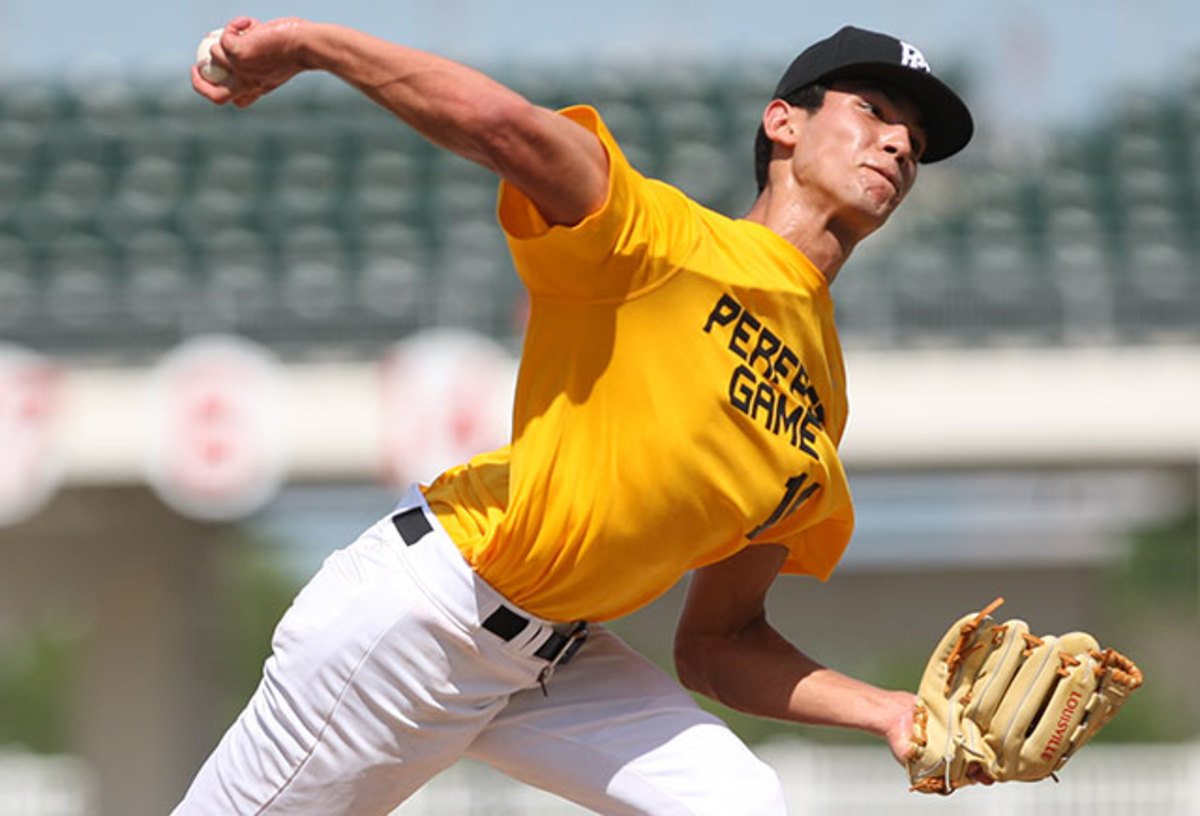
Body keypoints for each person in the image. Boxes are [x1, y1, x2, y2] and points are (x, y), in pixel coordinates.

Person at [176, 18, 974, 816]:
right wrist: (312, 46)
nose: (901, 143)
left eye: (916, 137)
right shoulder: (663, 242)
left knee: (741, 804)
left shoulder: (821, 394)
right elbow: (505, 127)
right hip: (426, 616)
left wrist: (888, 709)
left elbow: (718, 645)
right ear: (783, 123)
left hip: (559, 659)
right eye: (872, 109)